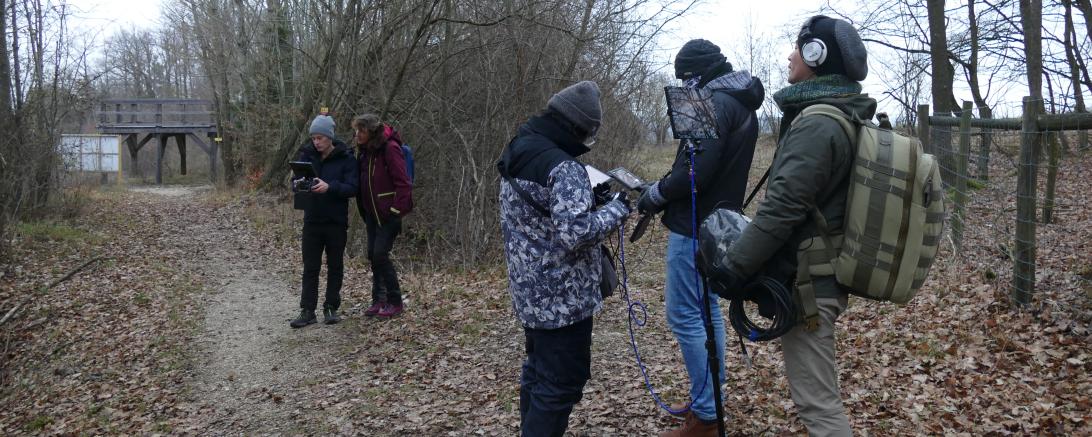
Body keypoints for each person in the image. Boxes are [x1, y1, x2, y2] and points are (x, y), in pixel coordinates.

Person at [706, 15, 873, 436]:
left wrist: (733, 268)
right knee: (817, 397)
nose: (789, 57)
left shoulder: (818, 123)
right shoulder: (839, 114)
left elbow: (783, 209)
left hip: (810, 284)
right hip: (818, 273)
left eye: (798, 49)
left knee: (818, 405)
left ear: (817, 54)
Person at [635, 39, 765, 436]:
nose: (683, 84)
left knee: (686, 315)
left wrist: (656, 192)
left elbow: (694, 172)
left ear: (699, 71)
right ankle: (709, 399)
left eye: (685, 76)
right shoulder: (739, 101)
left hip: (693, 229)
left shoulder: (711, 102)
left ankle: (707, 415)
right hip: (719, 228)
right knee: (707, 313)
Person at [497, 80, 630, 437]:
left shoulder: (521, 146)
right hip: (563, 301)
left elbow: (545, 216)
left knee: (538, 373)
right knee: (559, 388)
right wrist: (618, 210)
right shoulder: (564, 167)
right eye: (588, 134)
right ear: (578, 128)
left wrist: (585, 204)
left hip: (528, 292)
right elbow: (578, 234)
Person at [290, 113, 360, 328]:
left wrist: (330, 187)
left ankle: (331, 307)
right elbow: (294, 180)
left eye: (320, 138)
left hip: (335, 221)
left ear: (330, 137)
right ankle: (307, 310)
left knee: (335, 265)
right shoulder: (306, 155)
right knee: (310, 267)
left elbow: (353, 188)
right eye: (314, 138)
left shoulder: (346, 157)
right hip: (311, 219)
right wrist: (297, 185)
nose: (316, 142)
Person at [353, 113, 413, 319]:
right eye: (356, 131)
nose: (357, 135)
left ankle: (395, 301)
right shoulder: (365, 153)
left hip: (388, 215)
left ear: (371, 131)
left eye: (361, 130)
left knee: (380, 254)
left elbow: (403, 183)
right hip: (371, 214)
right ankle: (379, 300)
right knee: (373, 254)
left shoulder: (390, 149)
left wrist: (395, 210)